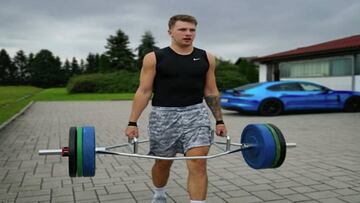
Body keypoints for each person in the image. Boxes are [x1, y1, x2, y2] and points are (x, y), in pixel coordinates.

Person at [125, 14, 227, 203]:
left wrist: (219, 120)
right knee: (163, 163)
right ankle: (159, 193)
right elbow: (144, 91)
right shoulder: (154, 58)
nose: (188, 34)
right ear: (170, 31)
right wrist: (132, 122)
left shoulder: (207, 57)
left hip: (196, 114)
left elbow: (211, 91)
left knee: (198, 163)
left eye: (192, 30)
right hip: (164, 116)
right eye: (183, 29)